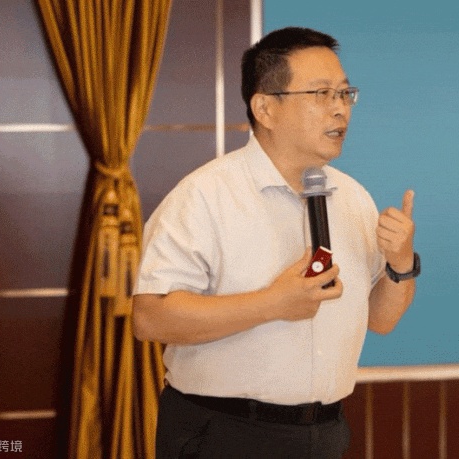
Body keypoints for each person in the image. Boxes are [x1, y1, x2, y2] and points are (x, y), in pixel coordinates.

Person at [132, 26, 419, 458]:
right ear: (265, 108)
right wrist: (272, 303)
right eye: (321, 94)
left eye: (345, 94)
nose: (340, 109)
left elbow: (380, 319)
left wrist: (400, 264)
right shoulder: (205, 196)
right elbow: (150, 318)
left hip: (324, 431)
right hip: (223, 432)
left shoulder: (353, 198)